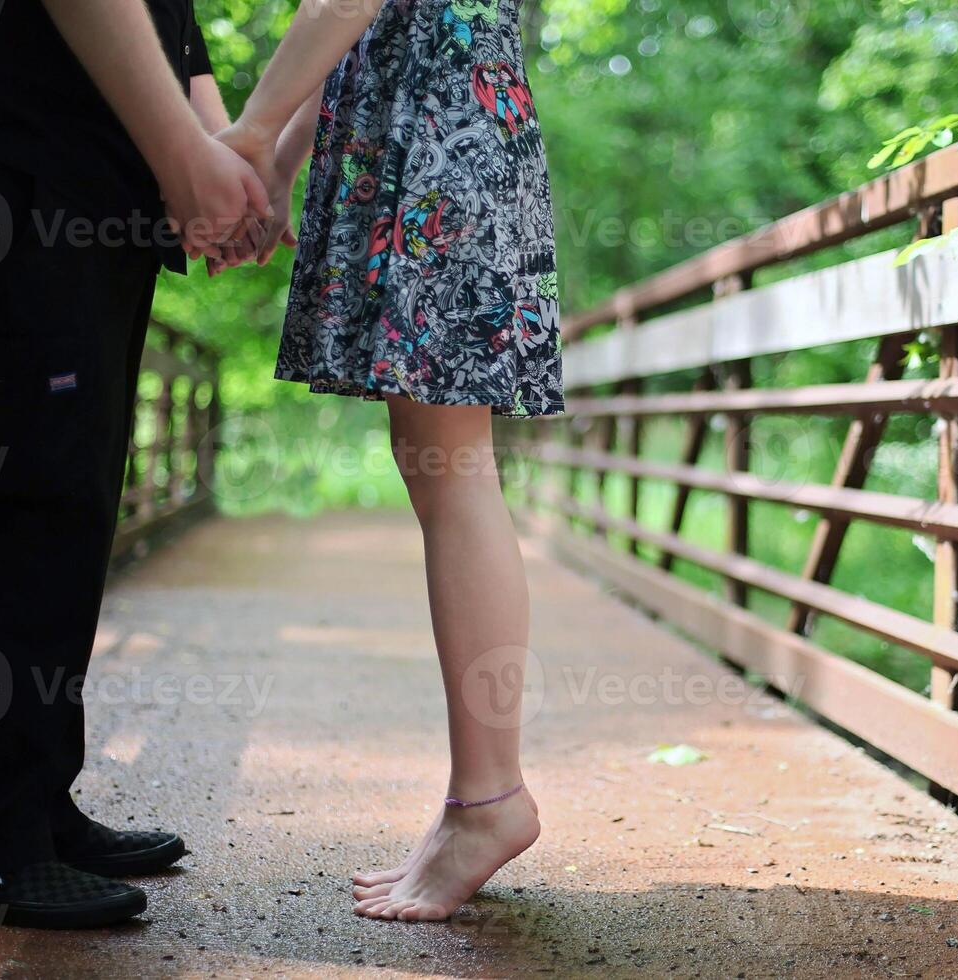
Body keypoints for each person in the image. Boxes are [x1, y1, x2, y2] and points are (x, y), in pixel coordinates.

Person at [0, 0, 276, 929]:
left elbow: (174, 25)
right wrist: (184, 155)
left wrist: (218, 153)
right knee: (15, 502)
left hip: (87, 176)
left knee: (66, 503)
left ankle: (31, 806)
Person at [217, 0, 563, 920]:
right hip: (430, 121)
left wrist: (251, 136)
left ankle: (489, 800)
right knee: (439, 466)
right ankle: (477, 800)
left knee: (455, 471)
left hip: (438, 129)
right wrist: (279, 160)